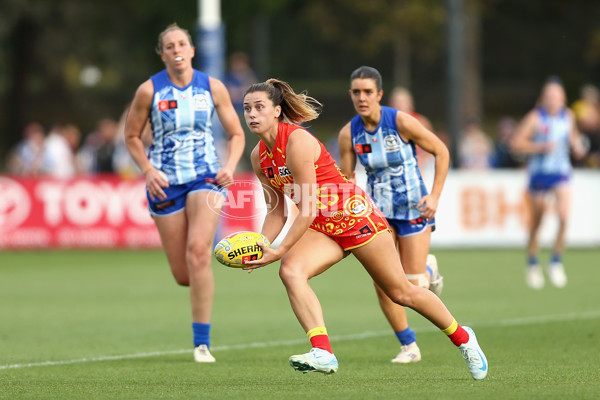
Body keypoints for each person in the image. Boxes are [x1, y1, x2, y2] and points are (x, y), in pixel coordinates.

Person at [241, 78, 488, 380]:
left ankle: (464, 339)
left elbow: (307, 207)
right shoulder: (258, 157)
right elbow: (277, 209)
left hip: (355, 217)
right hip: (323, 226)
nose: (252, 114)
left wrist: (279, 249)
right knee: (291, 271)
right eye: (247, 108)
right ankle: (323, 352)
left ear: (277, 111)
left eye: (259, 107)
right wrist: (259, 245)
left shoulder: (297, 142)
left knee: (401, 293)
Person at [124, 23, 245, 362]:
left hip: (205, 177)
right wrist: (147, 170)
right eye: (169, 46)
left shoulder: (212, 87)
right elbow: (131, 136)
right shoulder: (149, 91)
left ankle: (201, 344)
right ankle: (201, 282)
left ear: (192, 50)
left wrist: (230, 166)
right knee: (184, 274)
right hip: (165, 183)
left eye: (182, 43)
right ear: (162, 54)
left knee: (198, 253)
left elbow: (236, 134)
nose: (177, 49)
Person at [338, 67, 446, 364]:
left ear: (379, 95)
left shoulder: (399, 121)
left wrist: (434, 195)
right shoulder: (349, 133)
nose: (362, 97)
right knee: (384, 282)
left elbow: (441, 150)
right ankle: (408, 346)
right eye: (356, 92)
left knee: (413, 286)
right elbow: (347, 178)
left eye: (368, 92)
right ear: (351, 94)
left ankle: (428, 271)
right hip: (378, 214)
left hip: (413, 208)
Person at [511, 77, 586, 290]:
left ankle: (556, 261)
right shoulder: (536, 117)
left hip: (561, 172)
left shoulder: (568, 116)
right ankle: (533, 263)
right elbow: (517, 143)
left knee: (563, 217)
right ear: (544, 98)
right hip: (539, 174)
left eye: (557, 95)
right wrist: (540, 147)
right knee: (538, 221)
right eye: (550, 96)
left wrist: (578, 146)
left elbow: (573, 138)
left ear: (562, 98)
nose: (554, 99)